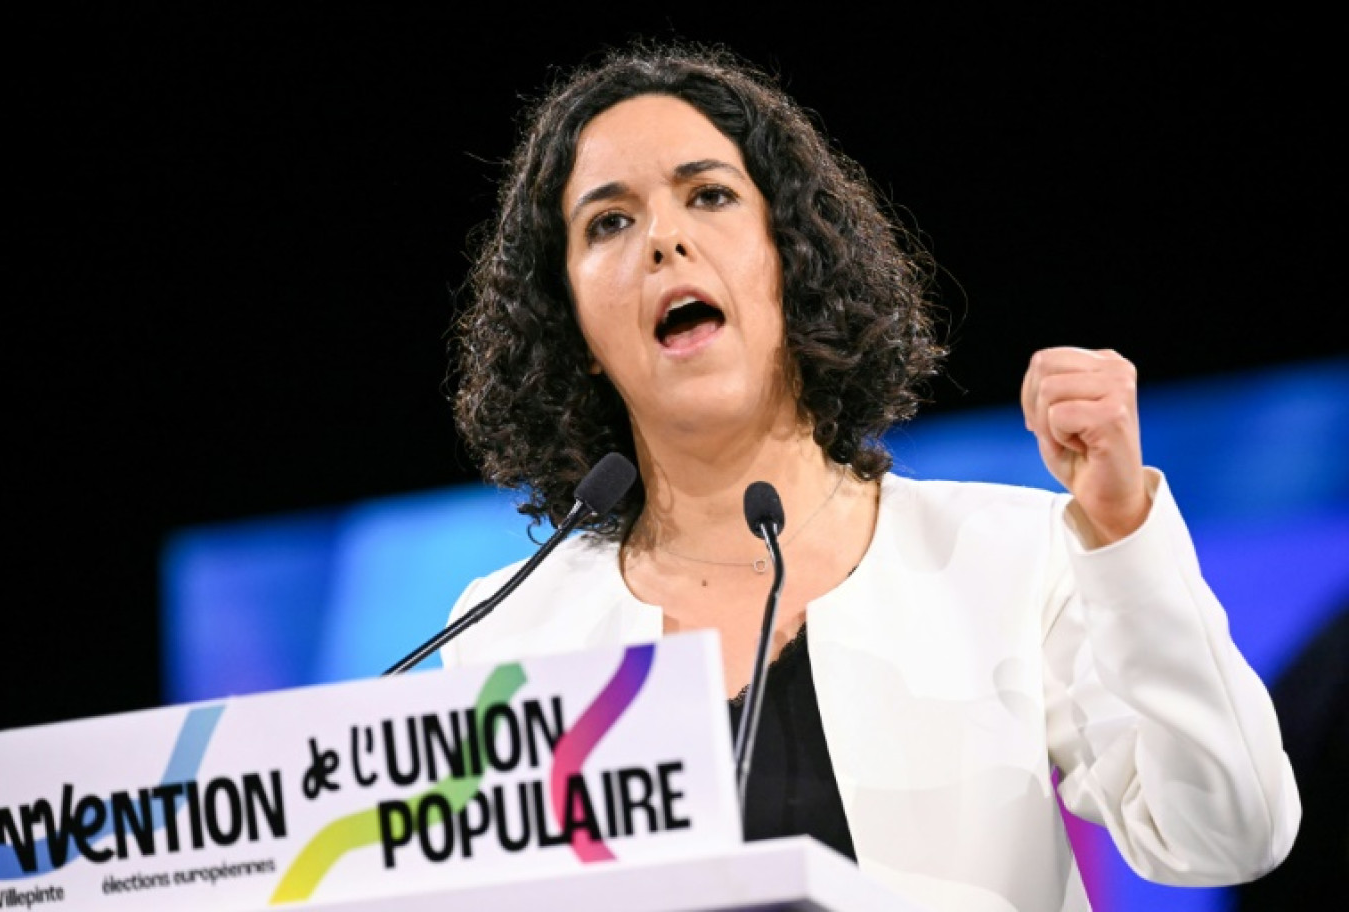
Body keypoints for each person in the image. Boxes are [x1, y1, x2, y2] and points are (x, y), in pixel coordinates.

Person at [437, 40, 1299, 911]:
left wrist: (1122, 534)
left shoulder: (1007, 556)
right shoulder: (506, 641)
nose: (664, 238)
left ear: (790, 256)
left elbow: (1229, 834)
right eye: (608, 222)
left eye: (710, 195)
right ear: (575, 327)